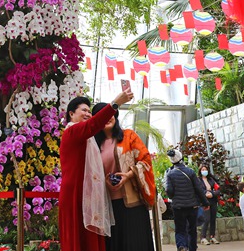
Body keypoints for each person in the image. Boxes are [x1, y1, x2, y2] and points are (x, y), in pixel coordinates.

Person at [59, 89, 134, 251]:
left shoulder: (87, 137)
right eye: (83, 110)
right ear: (71, 114)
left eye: (89, 111)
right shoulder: (72, 131)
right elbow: (94, 124)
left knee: (91, 238)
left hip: (86, 193)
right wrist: (116, 103)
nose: (87, 114)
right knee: (79, 239)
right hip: (75, 194)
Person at [91, 102, 156, 251]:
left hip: (133, 204)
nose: (108, 118)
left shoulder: (129, 136)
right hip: (108, 207)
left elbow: (145, 161)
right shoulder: (93, 145)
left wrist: (128, 174)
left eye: (110, 114)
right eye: (102, 115)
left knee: (135, 244)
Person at [165, 149, 210, 251]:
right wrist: (205, 203)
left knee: (180, 229)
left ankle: (181, 246)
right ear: (181, 158)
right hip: (192, 206)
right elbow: (198, 189)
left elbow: (168, 190)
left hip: (178, 207)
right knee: (191, 229)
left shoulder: (169, 174)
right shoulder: (190, 172)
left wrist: (173, 197)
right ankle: (192, 248)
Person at [198, 164, 220, 245]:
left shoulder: (211, 179)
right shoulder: (198, 180)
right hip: (204, 201)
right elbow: (199, 190)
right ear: (200, 171)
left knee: (213, 219)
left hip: (213, 200)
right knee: (206, 219)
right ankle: (203, 237)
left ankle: (212, 236)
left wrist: (212, 194)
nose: (204, 171)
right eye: (203, 169)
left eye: (205, 169)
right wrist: (205, 193)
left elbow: (218, 190)